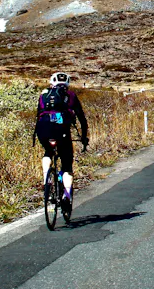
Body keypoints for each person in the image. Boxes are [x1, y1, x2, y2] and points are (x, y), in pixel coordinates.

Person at [33, 72, 88, 211]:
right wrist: (84, 137)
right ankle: (66, 196)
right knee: (67, 165)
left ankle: (46, 180)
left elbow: (39, 114)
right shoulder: (71, 96)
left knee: (48, 152)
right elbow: (82, 118)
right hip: (61, 131)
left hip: (43, 128)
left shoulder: (44, 94)